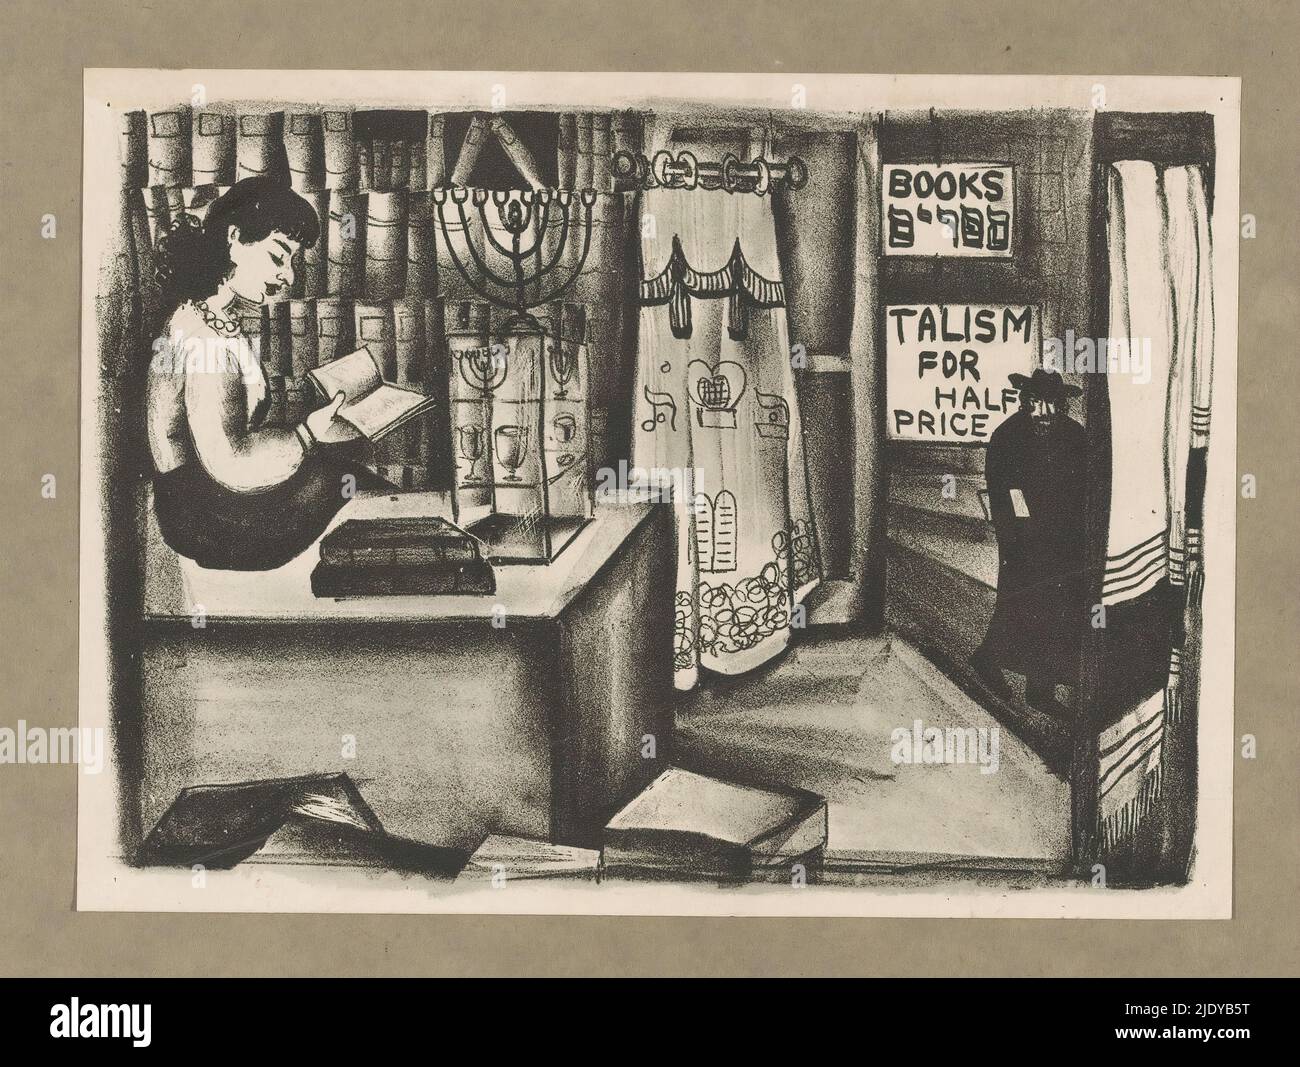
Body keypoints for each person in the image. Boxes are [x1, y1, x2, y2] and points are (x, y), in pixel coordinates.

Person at [145, 176, 379, 570]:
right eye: (277, 256)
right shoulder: (202, 336)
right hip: (211, 522)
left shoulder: (210, 316)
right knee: (346, 479)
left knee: (351, 475)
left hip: (218, 504)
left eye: (291, 261)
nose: (287, 276)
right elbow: (232, 464)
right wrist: (307, 434)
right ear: (234, 237)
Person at [969, 369, 1087, 713]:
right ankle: (988, 658)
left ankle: (1041, 690)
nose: (1043, 412)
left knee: (1059, 611)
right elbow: (1005, 491)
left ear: (1061, 405)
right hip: (1023, 538)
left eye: (1050, 403)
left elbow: (1084, 486)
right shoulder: (1008, 435)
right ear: (1025, 402)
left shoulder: (1074, 436)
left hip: (1065, 540)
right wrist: (1021, 535)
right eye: (1035, 403)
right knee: (1021, 603)